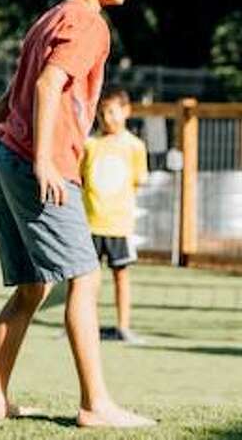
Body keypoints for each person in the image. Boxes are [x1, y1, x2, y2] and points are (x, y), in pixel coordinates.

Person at [0, 0, 156, 428]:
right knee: (85, 278)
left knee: (30, 289)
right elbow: (47, 87)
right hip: (34, 164)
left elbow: (10, 97)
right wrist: (45, 159)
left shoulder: (48, 20)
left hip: (5, 160)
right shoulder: (89, 24)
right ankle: (96, 404)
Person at [80, 87, 149, 344]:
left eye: (112, 111)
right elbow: (81, 177)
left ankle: (123, 326)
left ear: (126, 111)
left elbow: (138, 180)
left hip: (119, 225)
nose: (107, 118)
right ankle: (85, 326)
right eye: (102, 112)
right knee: (87, 280)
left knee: (121, 275)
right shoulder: (90, 144)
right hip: (90, 223)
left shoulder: (135, 147)